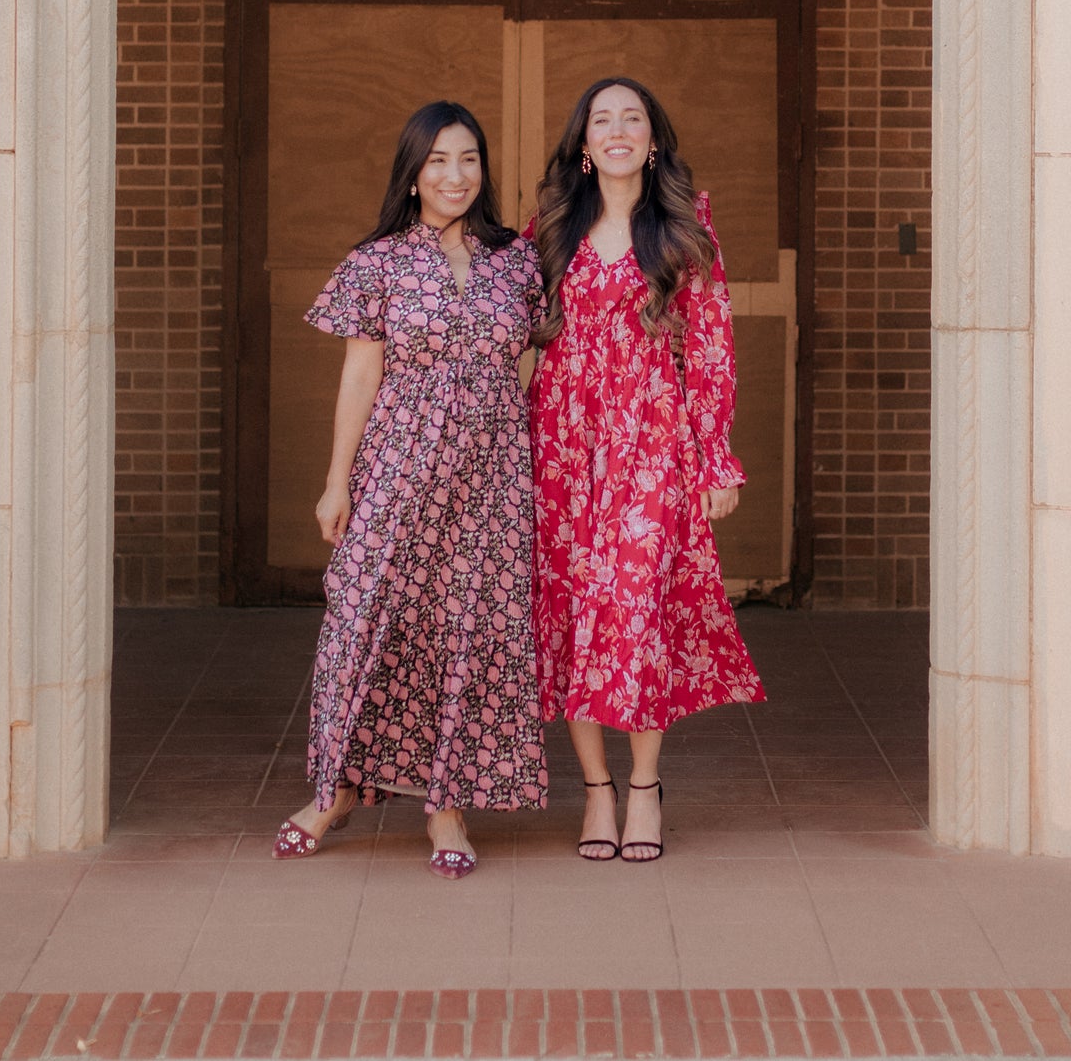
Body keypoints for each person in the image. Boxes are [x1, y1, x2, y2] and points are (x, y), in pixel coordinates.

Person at [276, 100, 547, 877]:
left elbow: (529, 361)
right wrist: (337, 482)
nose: (454, 175)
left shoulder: (516, 262)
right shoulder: (378, 261)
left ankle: (446, 805)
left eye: (468, 159)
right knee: (363, 620)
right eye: (437, 160)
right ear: (413, 170)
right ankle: (336, 791)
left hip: (490, 481)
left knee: (464, 634)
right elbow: (359, 374)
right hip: (396, 469)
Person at [529, 77, 765, 863]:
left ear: (652, 140)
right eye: (602, 118)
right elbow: (505, 326)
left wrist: (715, 457)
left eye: (632, 117)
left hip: (652, 439)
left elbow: (711, 347)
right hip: (560, 445)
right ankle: (595, 788)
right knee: (573, 609)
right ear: (584, 143)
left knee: (635, 606)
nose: (617, 129)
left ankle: (643, 785)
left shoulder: (686, 227)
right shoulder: (552, 226)